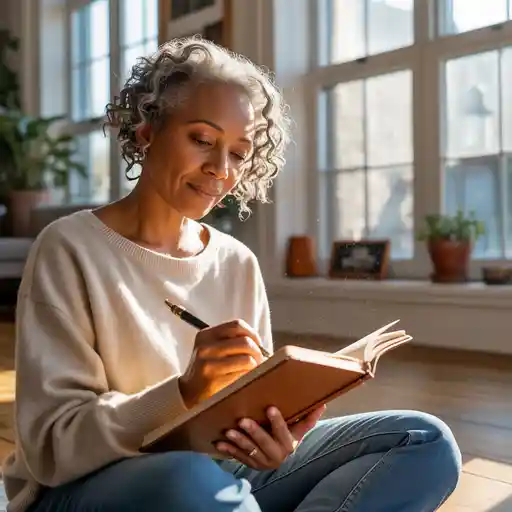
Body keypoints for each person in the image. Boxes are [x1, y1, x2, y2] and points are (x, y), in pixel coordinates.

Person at [2, 37, 461, 512]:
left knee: (424, 441)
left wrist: (274, 441)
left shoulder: (236, 261)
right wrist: (182, 393)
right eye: (202, 140)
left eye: (239, 154)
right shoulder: (69, 246)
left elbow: (245, 414)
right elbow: (52, 447)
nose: (221, 169)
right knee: (193, 480)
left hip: (214, 476)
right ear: (146, 132)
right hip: (86, 489)